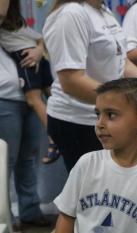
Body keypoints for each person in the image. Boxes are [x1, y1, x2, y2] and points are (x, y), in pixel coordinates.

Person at [43, 0, 137, 172]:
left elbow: (123, 62)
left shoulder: (103, 11)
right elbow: (72, 81)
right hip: (79, 120)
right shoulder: (71, 14)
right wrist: (128, 104)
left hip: (108, 115)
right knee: (95, 192)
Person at [54, 78, 137, 233]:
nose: (99, 124)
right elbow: (66, 217)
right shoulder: (87, 163)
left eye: (111, 115)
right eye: (98, 114)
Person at [0, 0, 49, 232]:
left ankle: (29, 211)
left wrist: (39, 50)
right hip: (4, 99)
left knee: (28, 157)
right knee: (4, 161)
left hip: (29, 95)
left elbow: (40, 37)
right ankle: (4, 218)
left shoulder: (15, 24)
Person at [0, 0, 60, 164]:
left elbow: (41, 39)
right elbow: (40, 38)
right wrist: (40, 50)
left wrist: (38, 51)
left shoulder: (10, 23)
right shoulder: (17, 23)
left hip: (26, 60)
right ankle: (62, 131)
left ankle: (55, 139)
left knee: (34, 100)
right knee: (53, 96)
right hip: (38, 61)